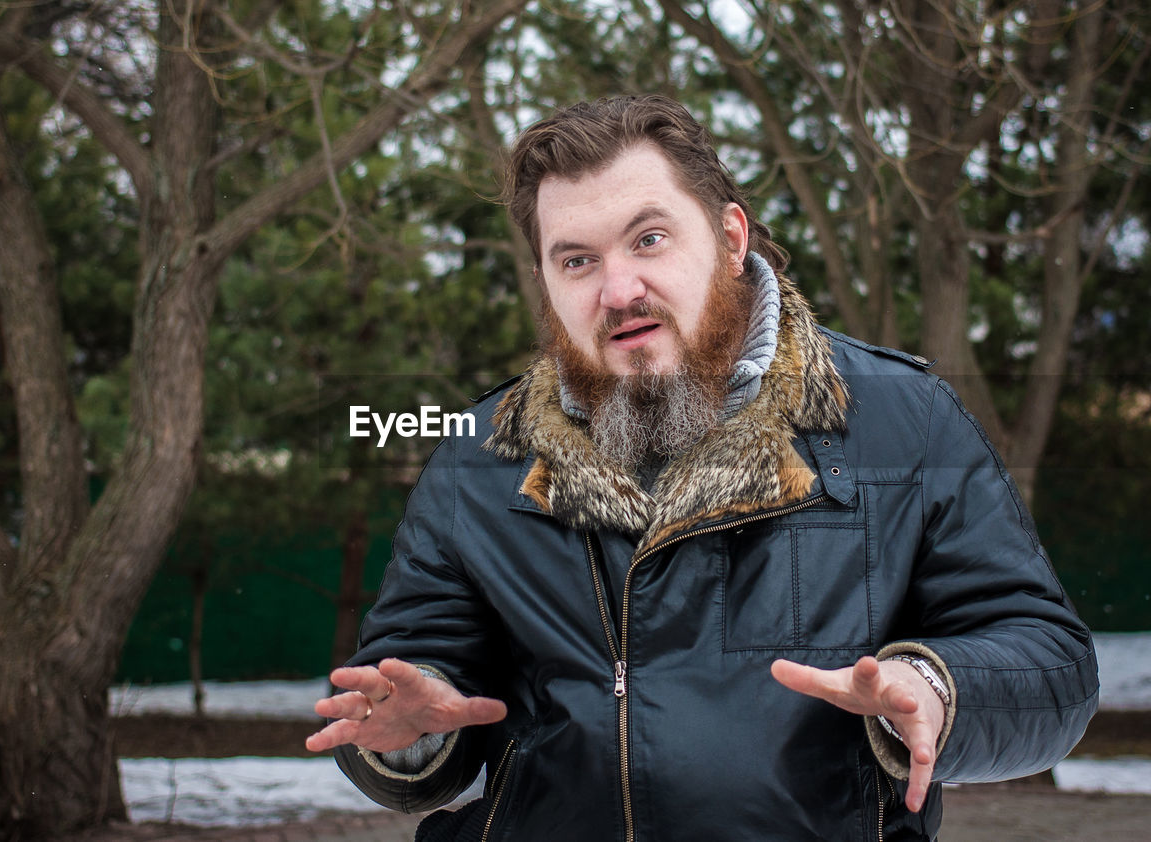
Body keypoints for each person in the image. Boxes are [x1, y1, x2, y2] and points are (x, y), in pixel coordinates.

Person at [305, 95, 1099, 841]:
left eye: (649, 239)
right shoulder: (484, 454)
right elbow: (397, 692)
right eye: (576, 261)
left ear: (730, 238)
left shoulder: (904, 420)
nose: (619, 290)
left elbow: (1050, 662)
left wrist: (935, 684)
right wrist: (404, 735)